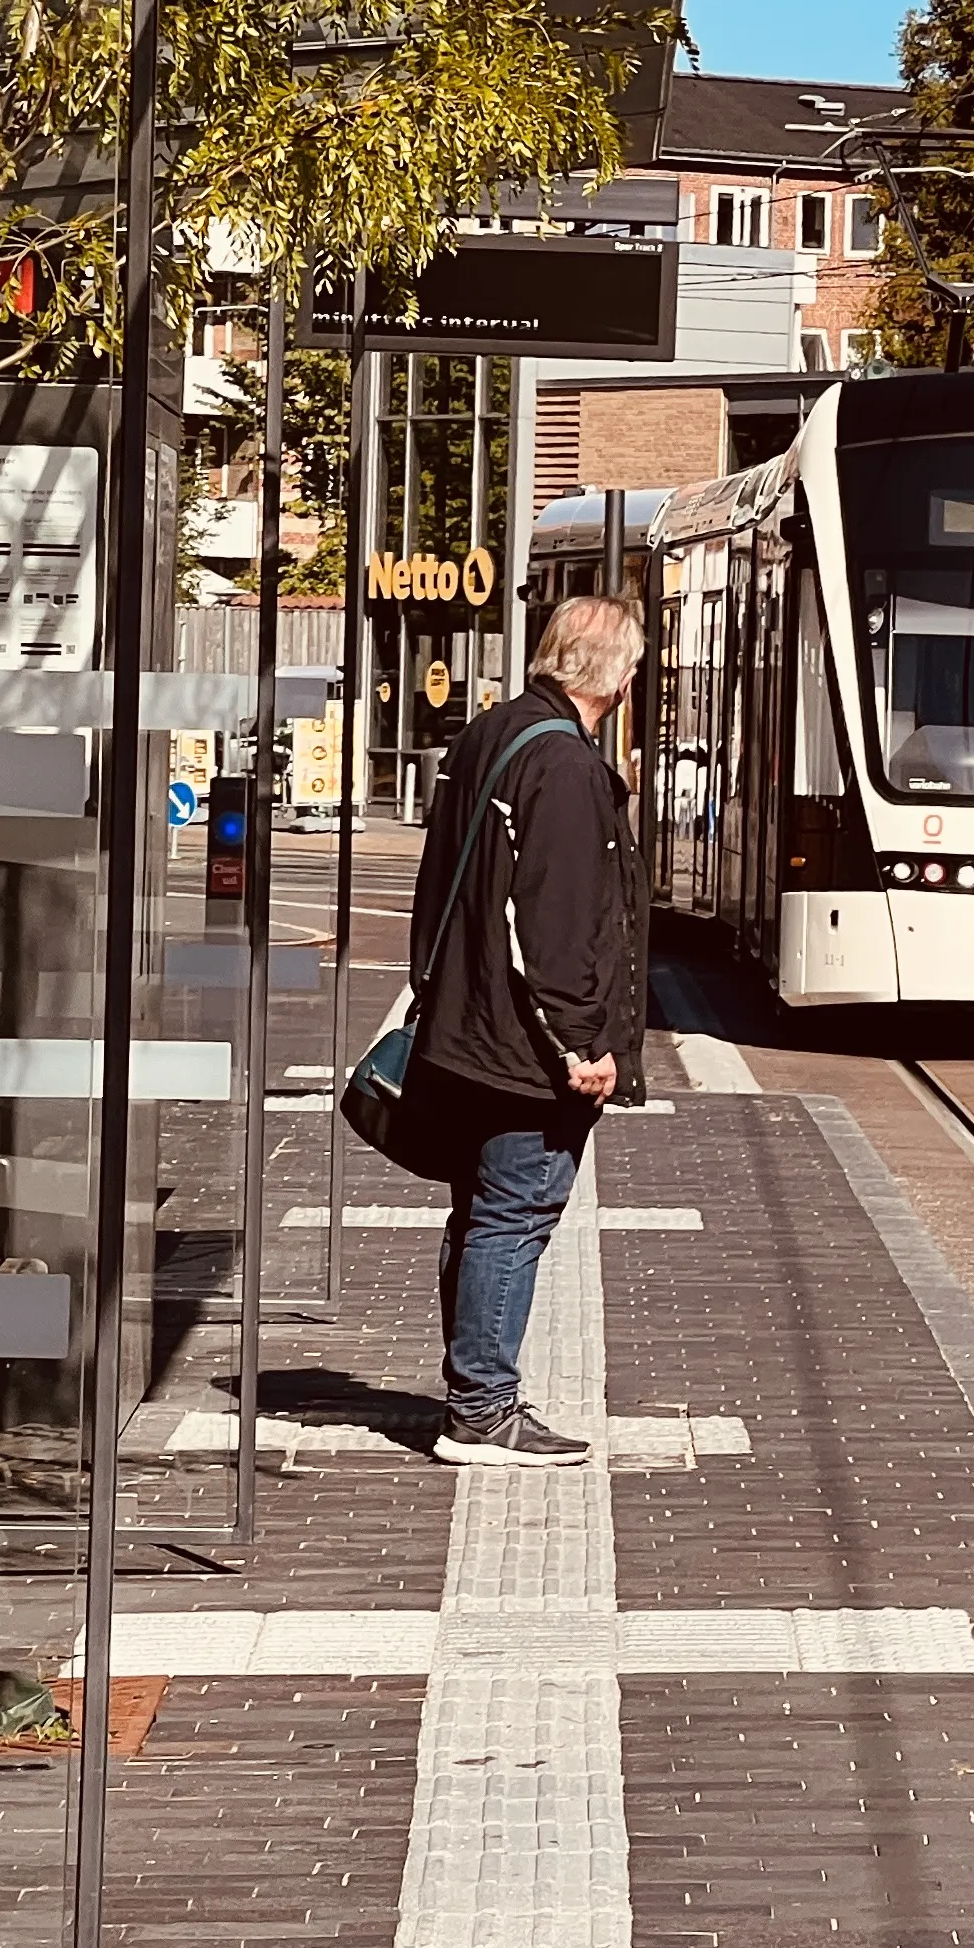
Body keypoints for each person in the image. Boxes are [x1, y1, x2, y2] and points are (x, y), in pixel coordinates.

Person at [405, 592, 649, 1467]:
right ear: (618, 678)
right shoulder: (568, 769)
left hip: (468, 1026)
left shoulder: (492, 733)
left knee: (479, 1213)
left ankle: (476, 1392)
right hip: (523, 1049)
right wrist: (583, 1045)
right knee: (514, 1214)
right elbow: (555, 923)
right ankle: (482, 1411)